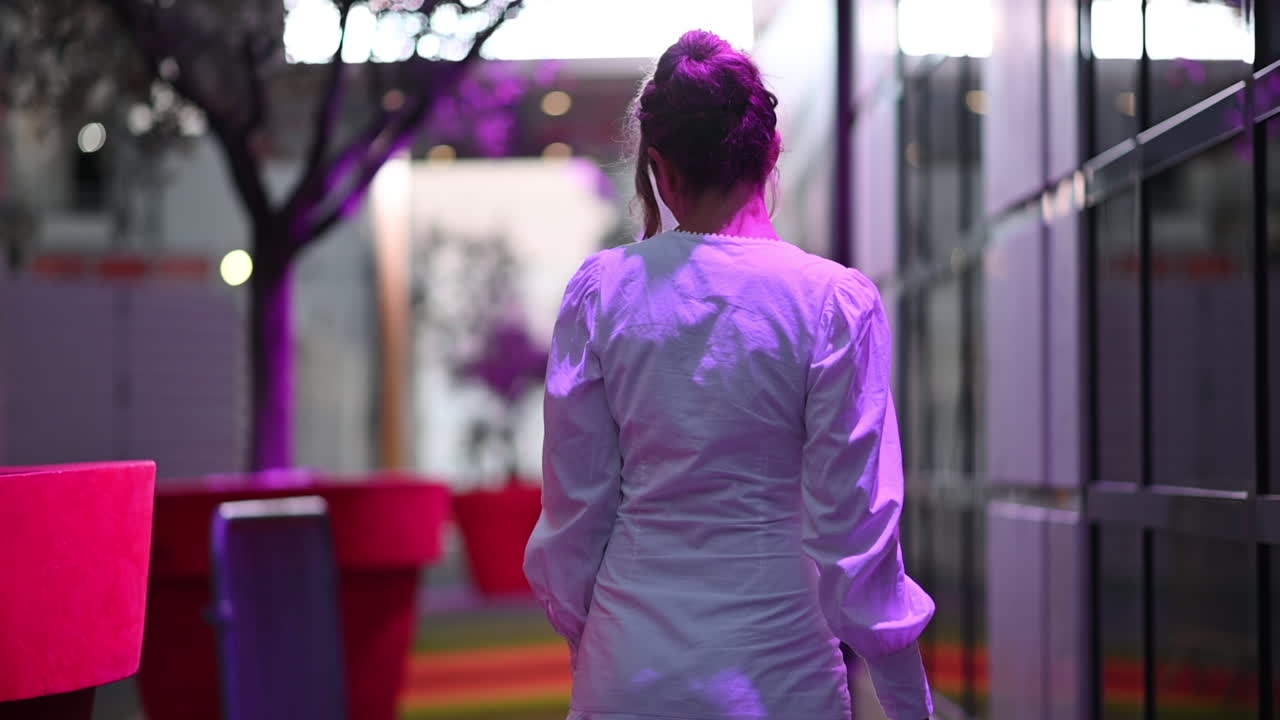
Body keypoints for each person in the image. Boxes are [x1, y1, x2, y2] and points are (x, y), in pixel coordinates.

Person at [524, 29, 934, 720]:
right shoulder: (834, 303)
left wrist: (590, 653)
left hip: (626, 673)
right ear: (771, 153)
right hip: (781, 681)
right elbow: (856, 540)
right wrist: (909, 707)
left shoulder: (600, 292)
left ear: (660, 166)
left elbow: (575, 518)